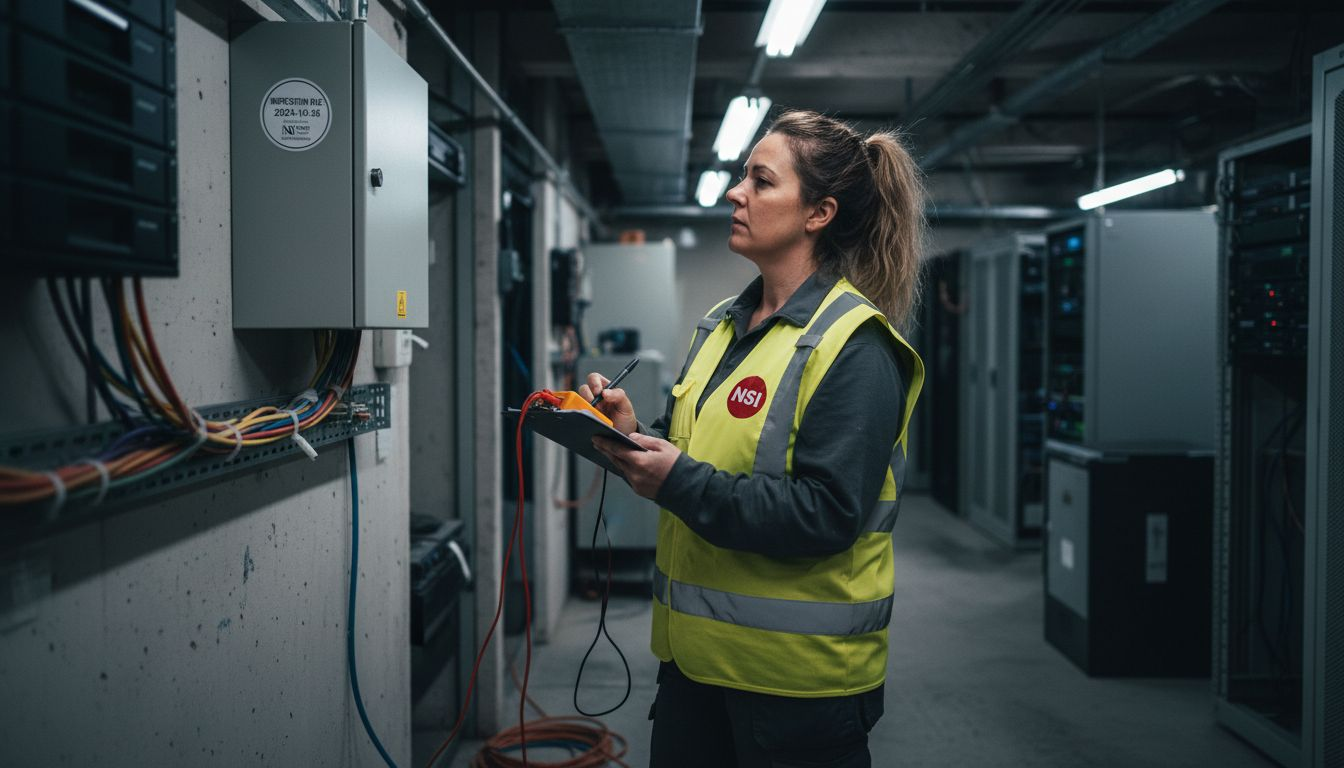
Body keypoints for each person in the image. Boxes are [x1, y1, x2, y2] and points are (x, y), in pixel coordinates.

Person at [584, 109, 926, 768]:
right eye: (742, 177)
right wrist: (632, 434)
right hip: (694, 668)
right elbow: (706, 451)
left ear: (817, 213)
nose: (735, 193)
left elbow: (827, 514)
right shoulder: (721, 328)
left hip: (797, 687)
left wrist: (677, 481)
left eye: (760, 181)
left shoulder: (855, 347)